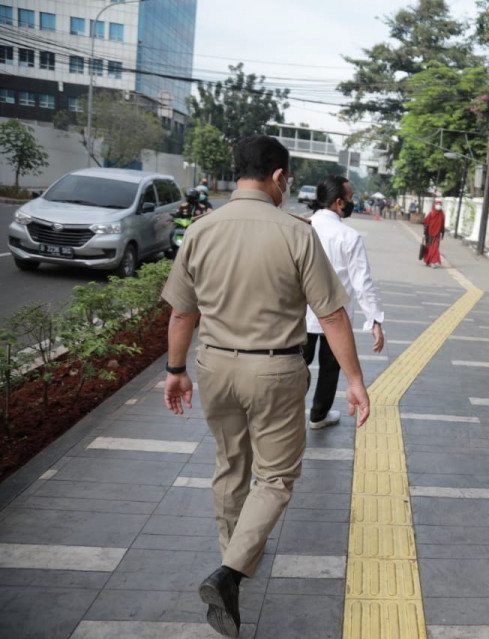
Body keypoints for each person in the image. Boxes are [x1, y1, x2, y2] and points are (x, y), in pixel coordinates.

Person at [161, 135, 370, 637]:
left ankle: (233, 553)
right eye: (288, 179)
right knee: (275, 478)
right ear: (278, 177)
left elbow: (182, 312)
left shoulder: (202, 229)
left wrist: (175, 370)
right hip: (275, 370)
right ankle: (230, 572)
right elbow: (333, 316)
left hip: (214, 366)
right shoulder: (296, 233)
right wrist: (357, 382)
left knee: (231, 464)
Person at [303, 175, 384, 429]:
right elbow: (363, 283)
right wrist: (374, 321)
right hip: (336, 320)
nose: (351, 203)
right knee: (330, 368)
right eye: (350, 199)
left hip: (300, 316)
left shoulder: (301, 227)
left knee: (294, 367)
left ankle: (287, 413)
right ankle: (318, 415)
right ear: (339, 202)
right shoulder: (349, 236)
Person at [421, 199, 445, 268]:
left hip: (437, 235)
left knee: (434, 248)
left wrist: (442, 234)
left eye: (440, 205)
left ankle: (432, 261)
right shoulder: (431, 213)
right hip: (429, 234)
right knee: (430, 247)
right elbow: (425, 223)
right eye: (437, 204)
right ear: (434, 205)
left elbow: (442, 225)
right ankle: (430, 261)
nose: (438, 206)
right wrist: (424, 233)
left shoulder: (441, 215)